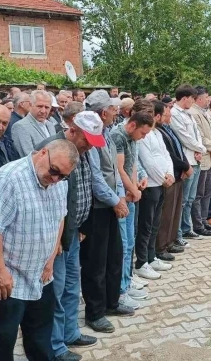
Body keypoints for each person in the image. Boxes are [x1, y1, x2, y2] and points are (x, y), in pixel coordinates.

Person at [0, 140, 77, 361]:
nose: (56, 179)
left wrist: (50, 260)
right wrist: (1, 271)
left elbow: (60, 217)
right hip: (10, 281)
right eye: (54, 171)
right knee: (3, 343)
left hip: (41, 276)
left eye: (63, 176)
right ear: (43, 153)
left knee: (40, 339)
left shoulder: (59, 182)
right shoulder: (8, 178)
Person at [35, 111, 101, 361]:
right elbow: (46, 202)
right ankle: (55, 345)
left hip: (74, 232)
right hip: (57, 238)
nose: (88, 147)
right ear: (72, 130)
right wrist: (57, 240)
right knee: (57, 292)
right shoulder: (51, 151)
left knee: (72, 287)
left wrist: (82, 226)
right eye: (86, 141)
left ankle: (70, 333)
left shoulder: (82, 151)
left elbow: (85, 188)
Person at [80, 90, 132, 334]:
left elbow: (114, 171)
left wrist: (120, 196)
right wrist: (115, 201)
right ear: (102, 112)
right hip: (98, 209)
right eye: (113, 109)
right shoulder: (91, 138)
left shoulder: (108, 133)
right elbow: (96, 177)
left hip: (112, 205)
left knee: (115, 256)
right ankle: (95, 312)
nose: (116, 112)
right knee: (95, 263)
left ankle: (112, 301)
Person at [111, 110, 154, 306]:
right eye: (143, 133)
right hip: (122, 196)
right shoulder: (118, 136)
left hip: (130, 194)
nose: (143, 137)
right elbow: (119, 169)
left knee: (129, 244)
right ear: (133, 125)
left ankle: (126, 284)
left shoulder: (133, 138)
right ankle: (119, 291)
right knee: (122, 246)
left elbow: (133, 163)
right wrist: (132, 189)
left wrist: (138, 182)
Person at [134, 101, 175, 279]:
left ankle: (151, 257)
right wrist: (162, 178)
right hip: (150, 184)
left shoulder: (156, 132)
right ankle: (141, 261)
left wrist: (170, 174)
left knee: (155, 224)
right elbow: (147, 161)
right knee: (146, 225)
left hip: (161, 182)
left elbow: (165, 155)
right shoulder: (144, 134)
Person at [169, 84, 206, 243]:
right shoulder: (174, 114)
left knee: (190, 198)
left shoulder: (188, 113)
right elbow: (184, 137)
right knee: (182, 201)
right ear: (184, 98)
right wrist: (200, 148)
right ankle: (177, 234)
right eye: (192, 99)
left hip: (195, 157)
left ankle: (186, 228)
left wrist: (199, 148)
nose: (193, 101)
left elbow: (196, 134)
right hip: (187, 160)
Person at [155, 100, 192, 260]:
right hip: (169, 176)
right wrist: (184, 166)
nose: (169, 117)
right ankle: (161, 246)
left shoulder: (167, 129)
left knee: (175, 211)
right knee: (166, 214)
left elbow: (179, 150)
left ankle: (170, 241)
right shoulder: (157, 132)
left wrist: (185, 165)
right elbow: (169, 155)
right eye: (166, 115)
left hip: (178, 173)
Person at [188, 87, 211, 235]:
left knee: (208, 190)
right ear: (200, 98)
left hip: (209, 158)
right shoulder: (194, 113)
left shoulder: (201, 112)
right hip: (202, 159)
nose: (209, 100)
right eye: (207, 98)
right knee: (199, 193)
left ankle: (203, 219)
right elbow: (201, 138)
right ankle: (198, 224)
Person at [11, 90, 56, 157]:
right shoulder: (20, 126)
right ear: (30, 105)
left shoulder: (50, 125)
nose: (43, 111)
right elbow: (28, 157)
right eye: (39, 106)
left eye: (47, 107)